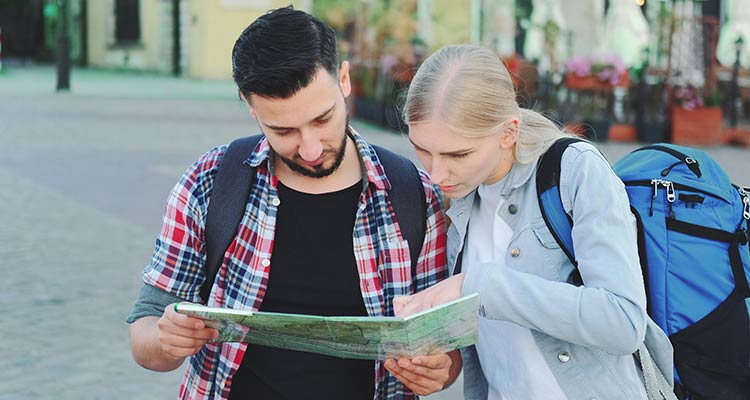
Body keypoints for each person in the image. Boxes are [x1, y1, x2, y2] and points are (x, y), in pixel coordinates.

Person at [126, 7, 460, 400]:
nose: (311, 148)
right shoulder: (211, 182)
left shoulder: (413, 194)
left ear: (345, 80)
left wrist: (438, 369)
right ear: (250, 106)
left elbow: (447, 350)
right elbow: (145, 333)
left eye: (323, 119)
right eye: (283, 130)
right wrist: (166, 339)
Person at [391, 44, 673, 400]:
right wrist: (437, 367)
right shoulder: (455, 196)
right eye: (422, 150)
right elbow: (484, 352)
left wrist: (484, 287)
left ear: (508, 132)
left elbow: (623, 322)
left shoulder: (574, 170)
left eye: (458, 154)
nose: (436, 173)